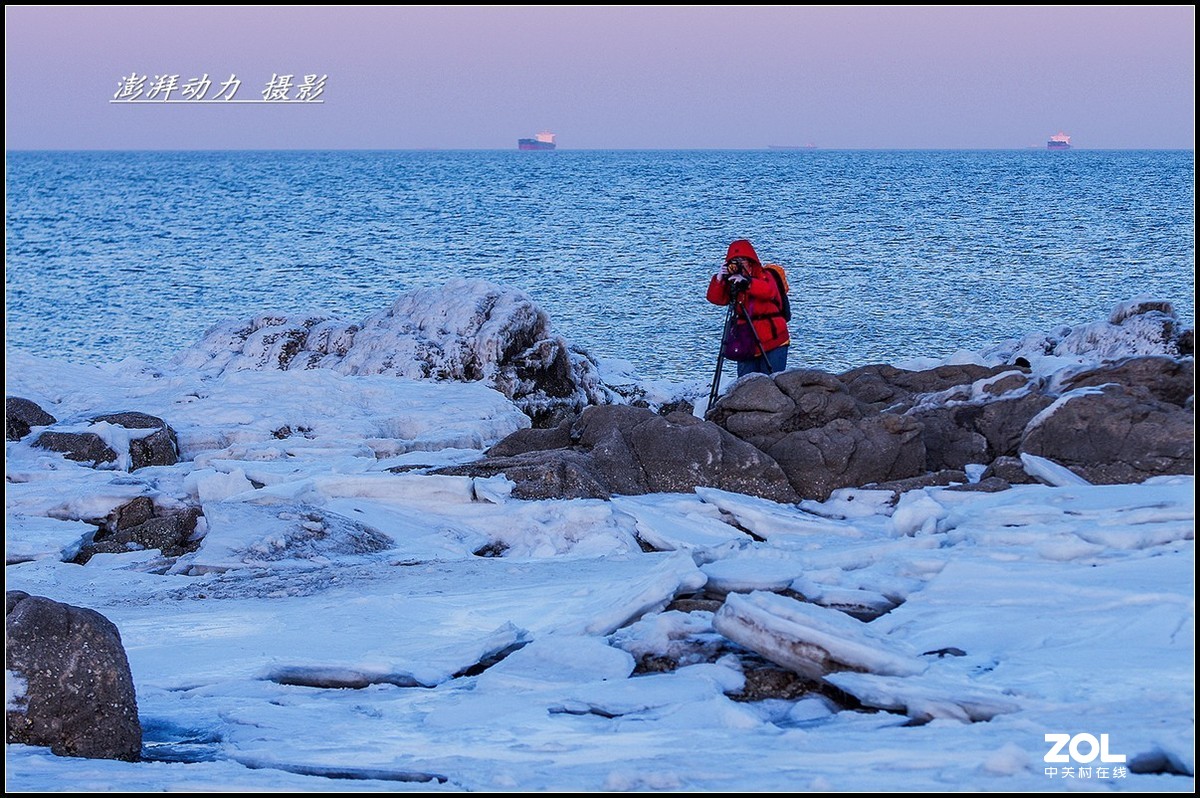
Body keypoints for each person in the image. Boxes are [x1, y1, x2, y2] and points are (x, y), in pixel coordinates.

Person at [706, 239, 789, 377]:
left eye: (742, 260)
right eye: (735, 261)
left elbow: (769, 291)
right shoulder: (732, 280)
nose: (739, 264)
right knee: (746, 384)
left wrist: (747, 283)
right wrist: (719, 279)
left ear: (751, 261)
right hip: (746, 341)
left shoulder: (766, 275)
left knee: (773, 383)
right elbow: (716, 299)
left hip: (774, 340)